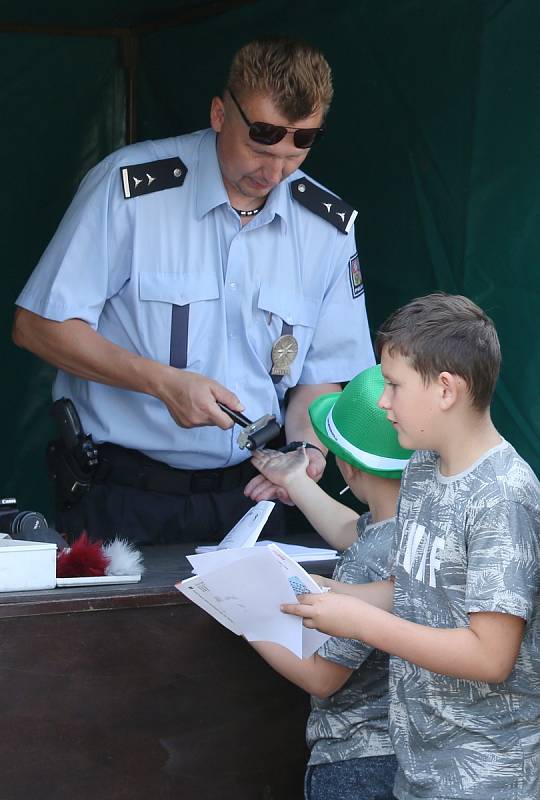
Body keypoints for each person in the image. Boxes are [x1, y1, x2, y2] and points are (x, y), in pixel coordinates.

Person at [12, 37, 374, 544]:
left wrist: (307, 453)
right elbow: (38, 326)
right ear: (219, 114)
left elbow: (322, 378)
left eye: (299, 149)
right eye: (260, 147)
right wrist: (161, 383)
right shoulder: (129, 189)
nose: (275, 172)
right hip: (122, 495)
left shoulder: (325, 227)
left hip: (253, 500)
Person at [281, 293, 540, 800]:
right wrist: (329, 593)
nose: (383, 402)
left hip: (490, 778)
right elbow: (415, 589)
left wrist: (361, 623)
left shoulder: (503, 495)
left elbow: (491, 656)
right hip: (417, 771)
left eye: (395, 386)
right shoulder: (421, 464)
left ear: (446, 390)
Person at [249, 364, 413, 800]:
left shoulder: (369, 558)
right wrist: (295, 481)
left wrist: (244, 612)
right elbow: (351, 529)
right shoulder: (412, 532)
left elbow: (321, 677)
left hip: (355, 762)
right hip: (410, 754)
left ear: (348, 468)